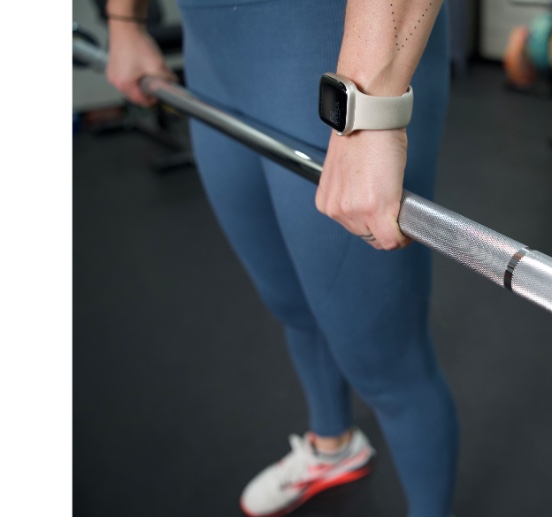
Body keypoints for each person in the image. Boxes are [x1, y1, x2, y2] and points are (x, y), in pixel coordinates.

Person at [104, 0, 458, 516]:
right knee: (291, 301)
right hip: (211, 51)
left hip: (330, 43)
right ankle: (333, 448)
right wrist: (125, 21)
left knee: (385, 360)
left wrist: (368, 111)